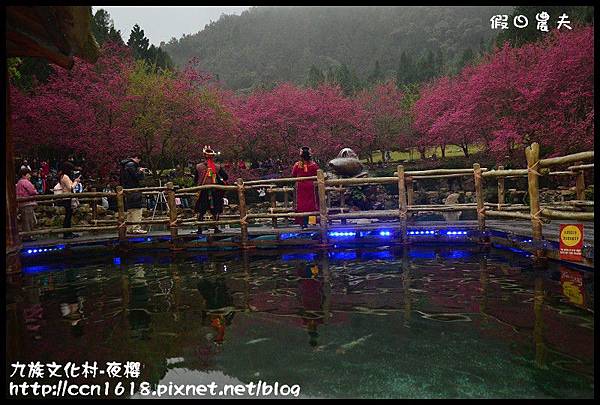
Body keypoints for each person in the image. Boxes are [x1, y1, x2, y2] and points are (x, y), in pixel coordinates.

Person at [193, 145, 229, 235]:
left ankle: (199, 229)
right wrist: (220, 180)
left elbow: (195, 180)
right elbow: (226, 177)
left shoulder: (198, 167)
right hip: (215, 190)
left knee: (201, 211)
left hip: (202, 190)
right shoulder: (217, 167)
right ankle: (216, 228)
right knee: (215, 210)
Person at [292, 146, 319, 228]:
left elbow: (293, 174)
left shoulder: (297, 165)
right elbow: (317, 174)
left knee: (301, 205)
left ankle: (303, 223)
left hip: (300, 186)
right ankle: (312, 222)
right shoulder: (313, 165)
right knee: (312, 204)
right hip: (311, 186)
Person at [119, 154, 148, 234]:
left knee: (130, 209)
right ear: (136, 158)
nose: (139, 162)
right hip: (134, 189)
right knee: (137, 209)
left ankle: (129, 228)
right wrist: (140, 171)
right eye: (139, 160)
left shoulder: (123, 165)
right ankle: (136, 228)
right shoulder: (132, 165)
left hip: (126, 189)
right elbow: (136, 177)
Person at [56, 161, 81, 239]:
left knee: (68, 215)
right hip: (67, 198)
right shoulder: (65, 177)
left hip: (66, 197)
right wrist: (76, 182)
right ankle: (67, 233)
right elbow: (70, 187)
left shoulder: (62, 176)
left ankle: (69, 232)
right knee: (68, 216)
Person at [16, 168, 38, 242]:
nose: (30, 176)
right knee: (29, 221)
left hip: (22, 204)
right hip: (27, 204)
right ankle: (28, 236)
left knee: (25, 221)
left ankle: (26, 236)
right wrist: (35, 191)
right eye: (28, 174)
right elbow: (32, 191)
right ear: (23, 175)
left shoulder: (19, 182)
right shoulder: (25, 182)